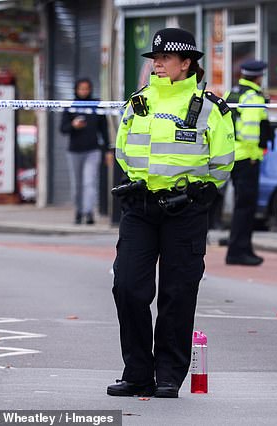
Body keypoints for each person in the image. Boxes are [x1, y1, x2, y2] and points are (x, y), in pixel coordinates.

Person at [107, 27, 235, 398]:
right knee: (128, 287)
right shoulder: (138, 103)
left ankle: (168, 374)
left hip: (186, 211)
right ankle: (137, 372)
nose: (157, 65)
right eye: (155, 59)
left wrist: (197, 193)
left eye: (164, 59)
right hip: (141, 207)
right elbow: (123, 151)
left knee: (178, 293)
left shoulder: (209, 107)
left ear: (186, 63)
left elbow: (223, 163)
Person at [224, 60, 273, 266]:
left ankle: (243, 248)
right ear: (258, 77)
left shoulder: (232, 93)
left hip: (232, 155)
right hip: (247, 157)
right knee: (245, 207)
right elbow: (251, 131)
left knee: (241, 205)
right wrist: (254, 155)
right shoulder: (253, 97)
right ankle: (238, 251)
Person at [60, 78, 111, 224]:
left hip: (92, 150)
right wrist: (73, 125)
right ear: (76, 89)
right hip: (74, 151)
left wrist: (107, 150)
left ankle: (89, 213)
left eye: (86, 88)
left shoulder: (96, 105)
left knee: (89, 182)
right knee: (77, 184)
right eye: (81, 88)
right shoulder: (70, 106)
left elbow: (104, 129)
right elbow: (62, 129)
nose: (84, 91)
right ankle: (79, 211)